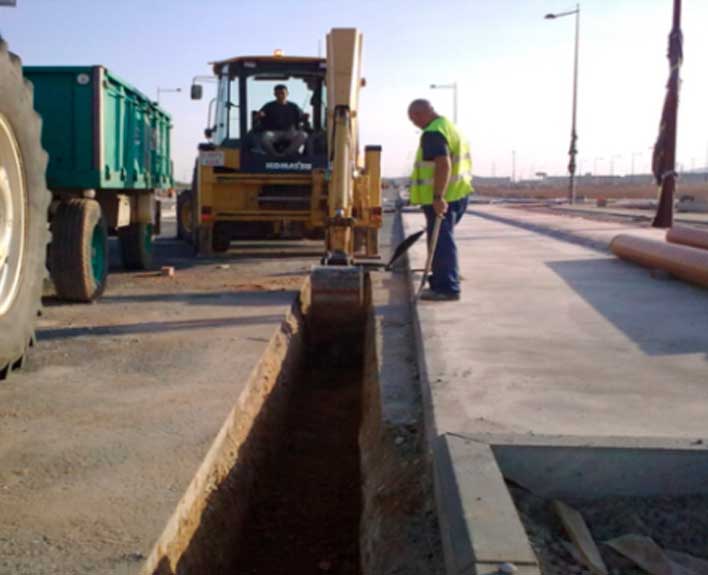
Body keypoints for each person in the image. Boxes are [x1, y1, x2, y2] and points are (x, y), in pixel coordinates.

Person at [408, 99, 473, 301]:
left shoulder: (433, 133)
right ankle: (444, 277)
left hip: (443, 198)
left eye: (413, 118)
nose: (414, 123)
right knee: (443, 240)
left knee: (441, 242)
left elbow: (443, 164)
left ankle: (447, 288)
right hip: (459, 194)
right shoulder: (450, 128)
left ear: (420, 114)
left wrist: (438, 196)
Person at [258, 84, 308, 156]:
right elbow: (260, 114)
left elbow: (301, 117)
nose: (280, 95)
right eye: (278, 93)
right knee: (265, 137)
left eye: (282, 93)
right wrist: (260, 115)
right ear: (274, 94)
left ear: (287, 93)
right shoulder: (269, 105)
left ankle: (286, 154)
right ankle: (275, 155)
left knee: (303, 135)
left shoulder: (294, 106)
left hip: (290, 132)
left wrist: (305, 116)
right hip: (274, 133)